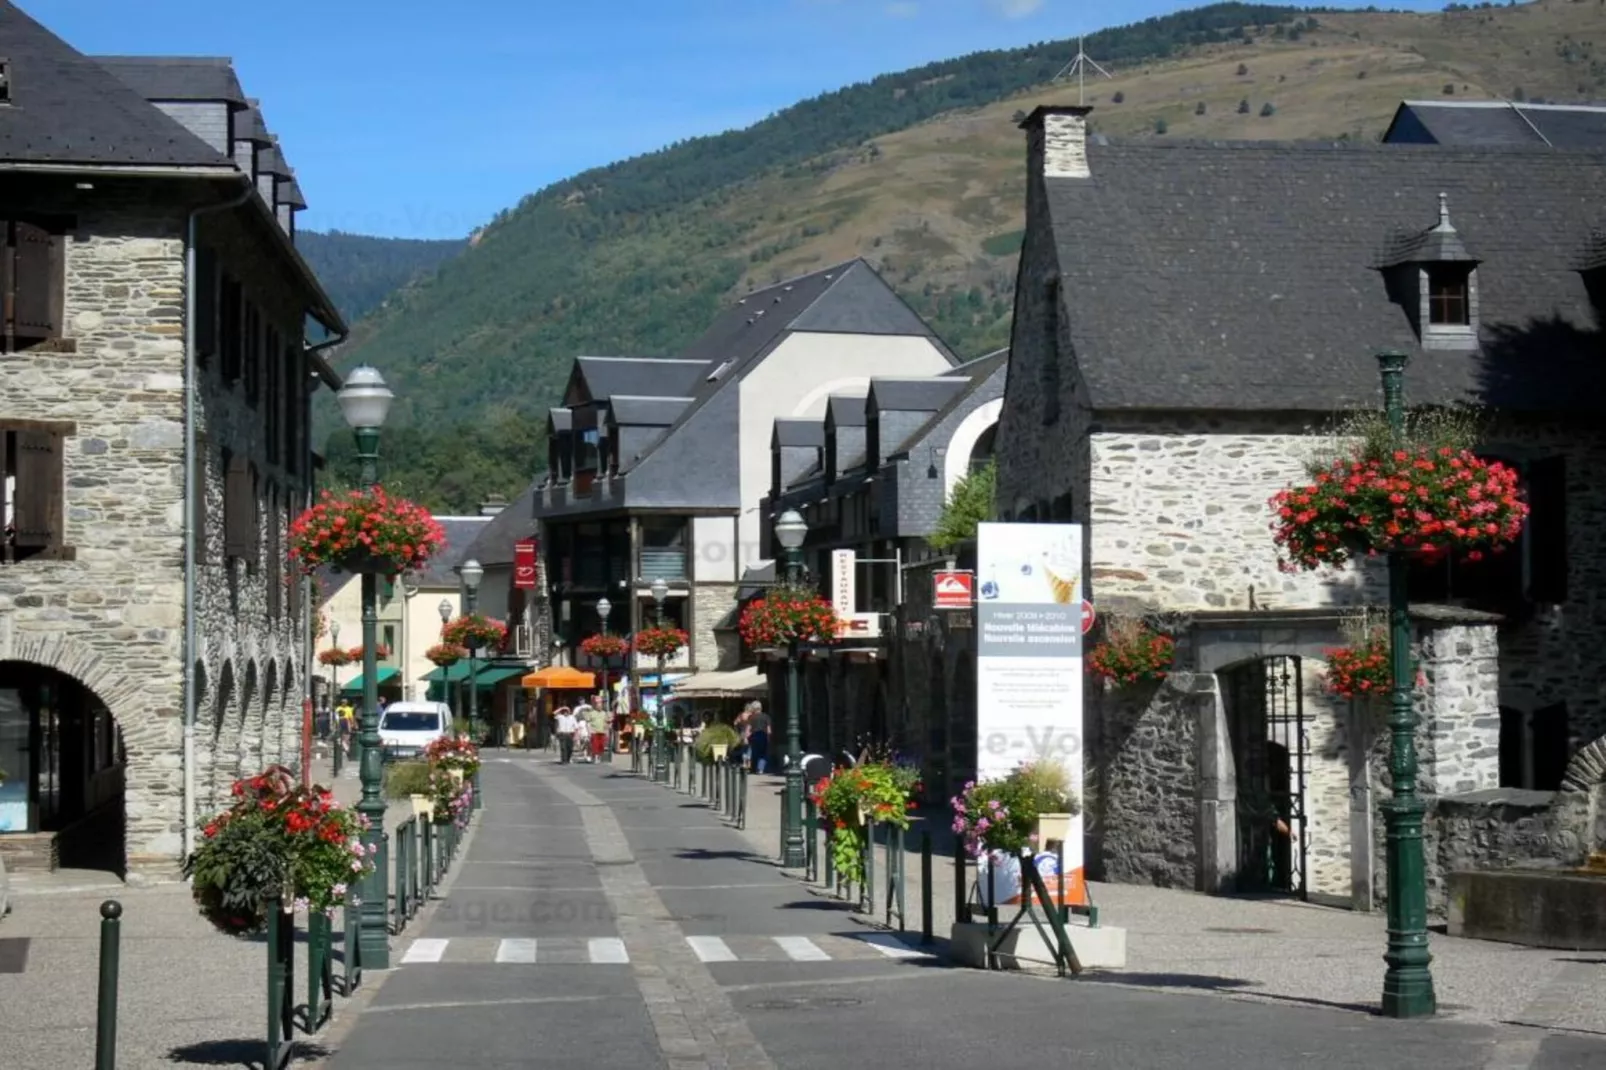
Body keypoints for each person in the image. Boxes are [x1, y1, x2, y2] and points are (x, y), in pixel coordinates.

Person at [746, 702, 772, 774]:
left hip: (754, 736)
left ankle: (753, 769)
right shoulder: (766, 716)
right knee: (763, 754)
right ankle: (760, 769)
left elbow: (748, 728)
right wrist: (768, 738)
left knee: (754, 753)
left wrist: (747, 737)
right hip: (763, 736)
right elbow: (769, 729)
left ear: (754, 708)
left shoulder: (751, 717)